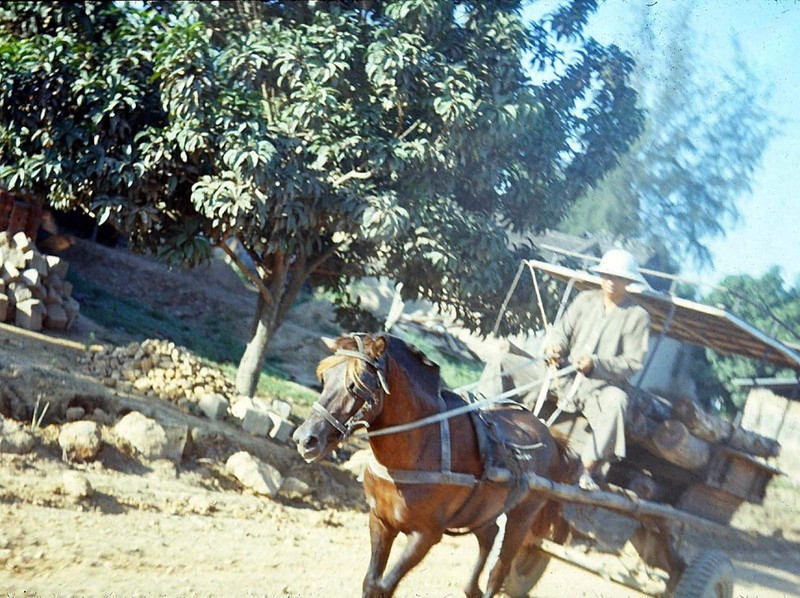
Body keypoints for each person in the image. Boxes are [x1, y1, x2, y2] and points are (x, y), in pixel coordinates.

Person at [477, 248, 651, 491]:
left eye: (618, 278)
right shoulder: (585, 300)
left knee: (618, 401)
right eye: (607, 276)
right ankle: (481, 422)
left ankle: (586, 471)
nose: (611, 282)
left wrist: (596, 364)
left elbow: (632, 363)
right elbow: (561, 333)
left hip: (597, 390)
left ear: (629, 281)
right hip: (559, 377)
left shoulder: (637, 316)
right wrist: (554, 348)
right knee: (503, 361)